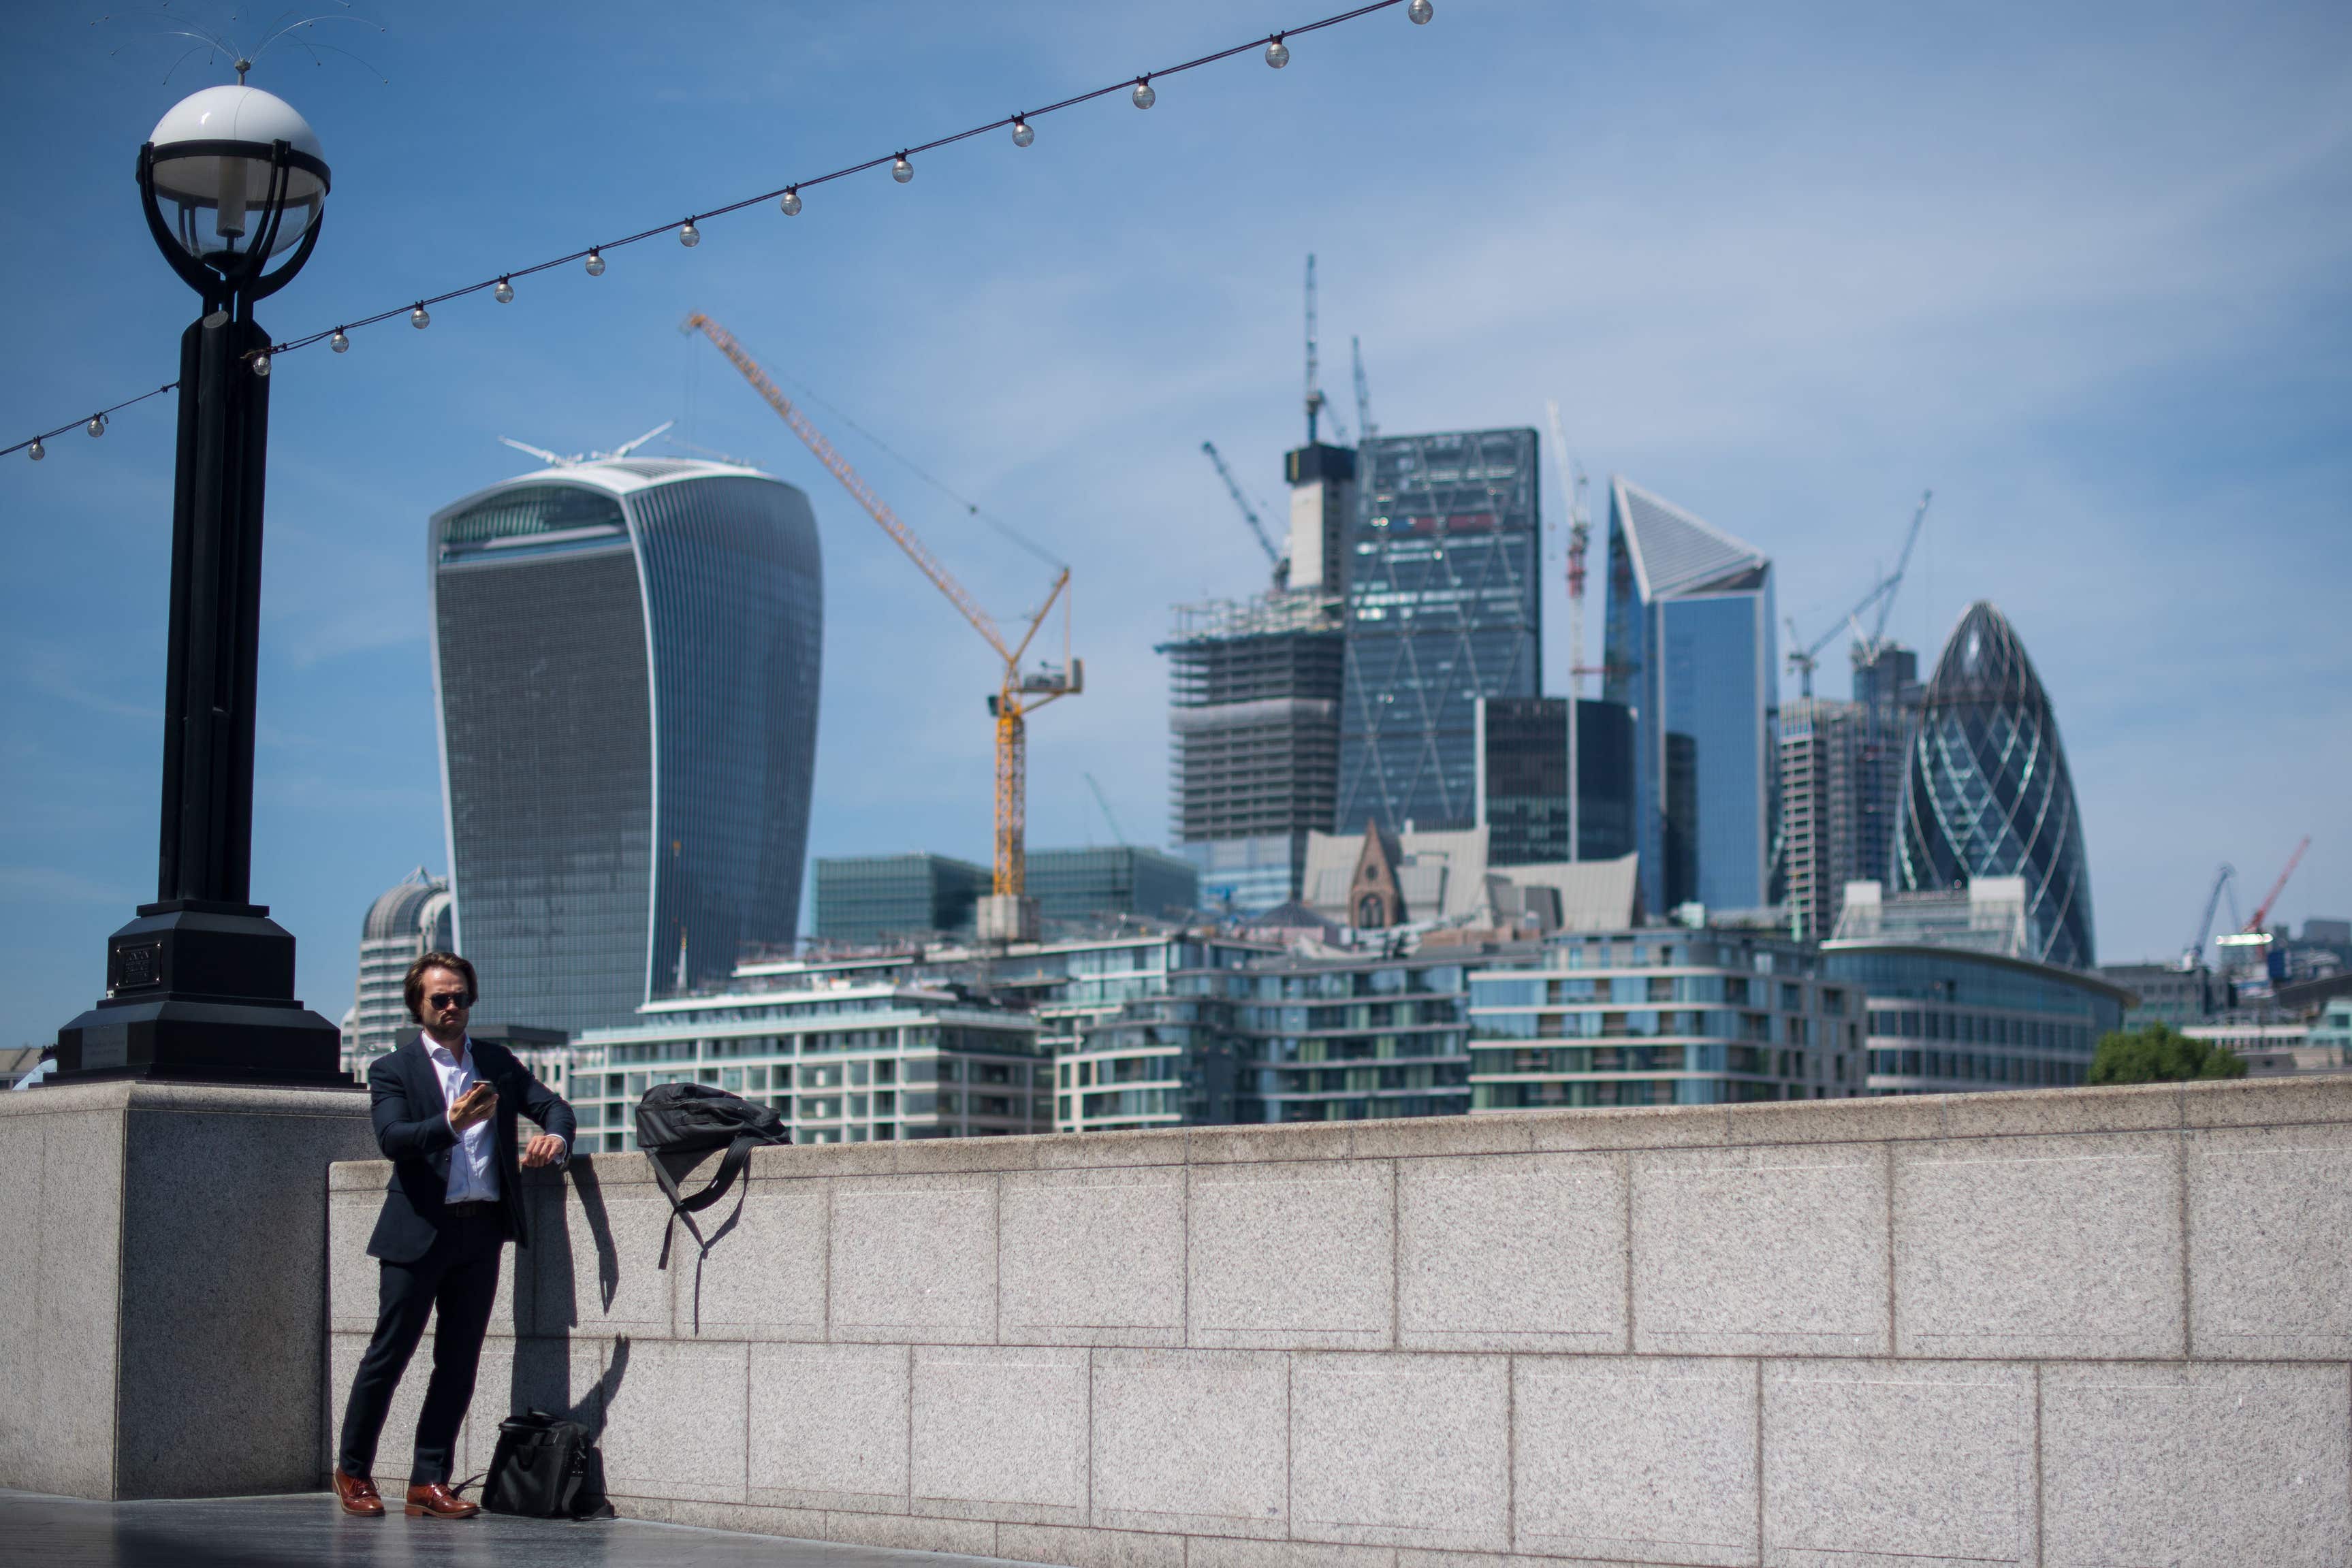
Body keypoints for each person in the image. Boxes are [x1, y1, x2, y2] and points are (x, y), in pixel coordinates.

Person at [332, 950, 575, 1520]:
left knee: (459, 1360)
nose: (451, 1006)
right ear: (418, 1005)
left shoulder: (496, 1060)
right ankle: (353, 1470)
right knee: (388, 1356)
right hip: (417, 1233)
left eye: (460, 997)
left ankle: (428, 1479)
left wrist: (554, 1141)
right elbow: (391, 1138)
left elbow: (553, 1105)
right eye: (439, 998)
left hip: (481, 1232)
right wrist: (453, 1122)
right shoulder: (394, 1069)